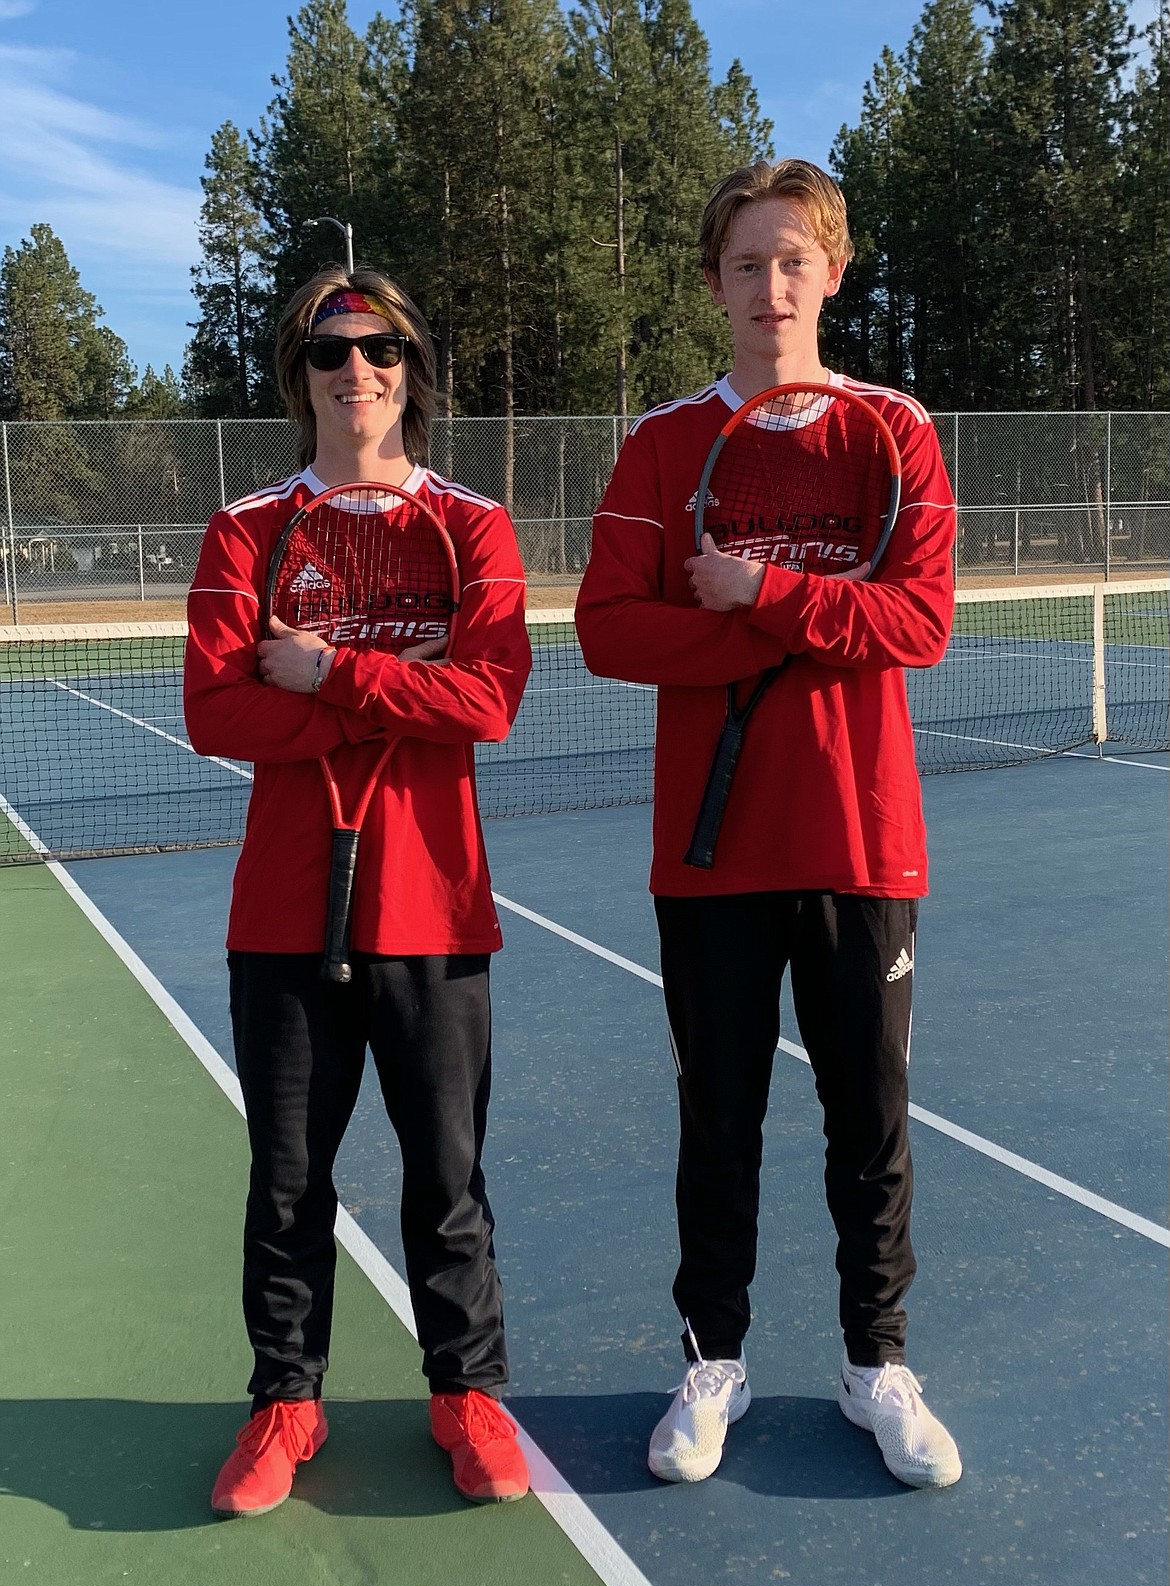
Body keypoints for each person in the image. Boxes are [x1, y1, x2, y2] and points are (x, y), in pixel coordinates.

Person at [575, 159, 962, 1490]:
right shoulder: (663, 441)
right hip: (711, 853)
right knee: (718, 1121)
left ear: (832, 271)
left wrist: (758, 595)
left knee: (871, 1121)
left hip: (862, 842)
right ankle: (713, 1361)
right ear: (713, 283)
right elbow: (605, 630)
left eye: (793, 259)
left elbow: (917, 623)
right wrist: (759, 619)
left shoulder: (893, 432)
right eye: (746, 263)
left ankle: (876, 1365)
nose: (770, 285)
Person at [183, 266, 532, 1515]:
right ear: (302, 377)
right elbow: (214, 707)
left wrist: (324, 671)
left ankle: (467, 1392)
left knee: (448, 1174)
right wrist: (397, 676)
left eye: (380, 350)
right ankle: (286, 1400)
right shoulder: (245, 531)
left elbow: (488, 699)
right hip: (282, 912)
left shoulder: (473, 527)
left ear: (410, 368)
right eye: (332, 354)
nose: (357, 372)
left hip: (435, 908)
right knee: (287, 1179)